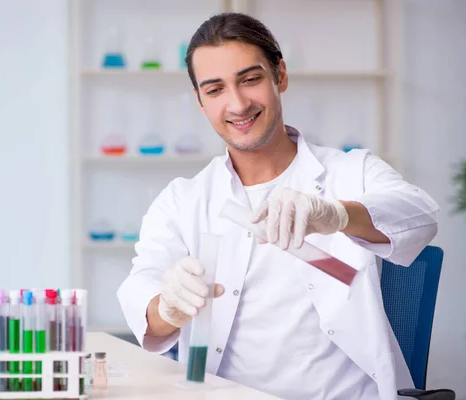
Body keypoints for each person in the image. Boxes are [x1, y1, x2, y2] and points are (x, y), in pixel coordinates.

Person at [117, 12, 439, 400]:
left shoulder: (352, 171)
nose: (237, 104)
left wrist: (336, 214)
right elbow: (142, 292)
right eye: (215, 89)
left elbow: (420, 215)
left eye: (250, 79)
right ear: (201, 102)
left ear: (280, 76)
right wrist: (168, 307)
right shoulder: (183, 201)